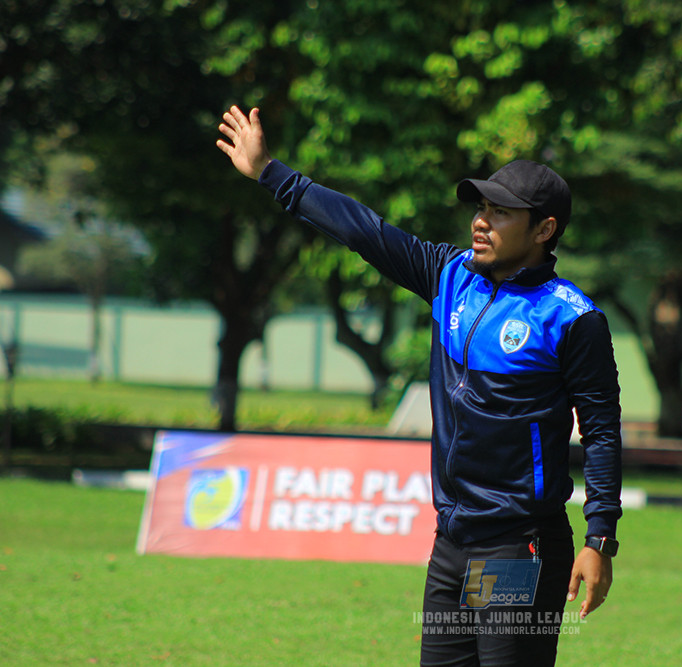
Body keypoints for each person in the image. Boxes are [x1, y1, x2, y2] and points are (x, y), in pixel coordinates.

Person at [217, 105, 622, 666]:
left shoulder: (572, 319)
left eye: (501, 212)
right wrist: (271, 172)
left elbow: (601, 434)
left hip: (515, 547)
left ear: (544, 229)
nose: (481, 221)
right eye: (481, 208)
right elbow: (364, 230)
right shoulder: (449, 276)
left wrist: (599, 538)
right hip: (451, 544)